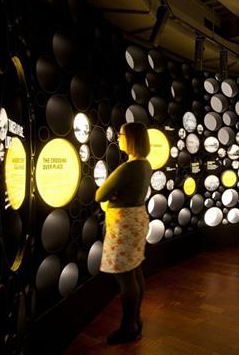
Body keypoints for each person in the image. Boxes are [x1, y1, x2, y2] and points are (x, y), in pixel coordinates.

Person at [95, 122, 152, 344]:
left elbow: (100, 194)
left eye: (121, 134)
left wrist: (113, 193)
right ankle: (136, 319)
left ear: (132, 139)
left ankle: (128, 327)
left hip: (124, 225)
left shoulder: (129, 167)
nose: (118, 137)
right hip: (136, 220)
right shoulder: (144, 164)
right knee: (135, 269)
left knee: (125, 277)